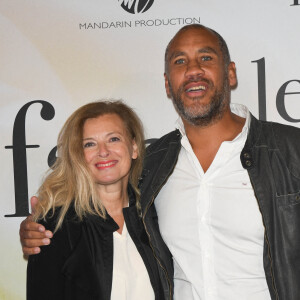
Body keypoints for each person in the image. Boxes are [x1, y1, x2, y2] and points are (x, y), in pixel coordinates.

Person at [20, 24, 300, 299]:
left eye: (206, 57)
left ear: (230, 73)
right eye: (180, 61)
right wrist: (40, 231)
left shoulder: (291, 151)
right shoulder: (153, 166)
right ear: (168, 83)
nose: (192, 70)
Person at [25, 100, 168, 300]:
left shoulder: (154, 216)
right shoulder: (56, 227)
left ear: (134, 147)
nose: (103, 151)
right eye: (89, 144)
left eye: (114, 139)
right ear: (78, 156)